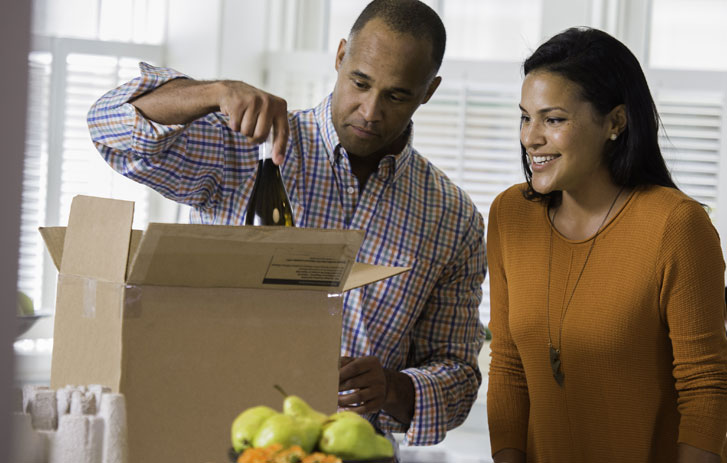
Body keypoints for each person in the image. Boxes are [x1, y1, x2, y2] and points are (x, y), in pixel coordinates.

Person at [87, 0, 487, 447]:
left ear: (428, 91)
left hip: (352, 451)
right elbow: (109, 128)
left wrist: (393, 388)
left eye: (397, 96)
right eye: (360, 82)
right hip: (217, 441)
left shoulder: (454, 218)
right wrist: (213, 92)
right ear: (340, 57)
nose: (371, 111)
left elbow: (457, 375)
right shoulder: (242, 147)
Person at [486, 26, 727, 463]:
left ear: (614, 121)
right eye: (526, 116)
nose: (530, 137)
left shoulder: (676, 225)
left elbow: (705, 387)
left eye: (553, 119)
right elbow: (508, 368)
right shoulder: (509, 215)